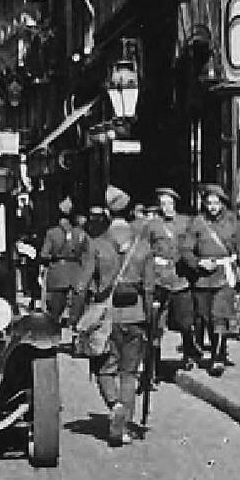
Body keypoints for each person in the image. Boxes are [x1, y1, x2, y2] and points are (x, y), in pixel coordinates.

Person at [72, 186, 156, 446]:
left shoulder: (96, 245)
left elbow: (81, 285)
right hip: (136, 316)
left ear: (108, 214)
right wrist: (151, 319)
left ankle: (115, 405)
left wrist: (76, 318)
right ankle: (126, 423)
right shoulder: (142, 247)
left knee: (104, 370)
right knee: (129, 373)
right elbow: (150, 288)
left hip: (105, 320)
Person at [181, 183, 240, 376]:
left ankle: (218, 357)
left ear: (222, 204)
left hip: (224, 275)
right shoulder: (197, 223)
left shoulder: (233, 223)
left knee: (219, 316)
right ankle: (201, 350)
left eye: (216, 203)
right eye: (209, 203)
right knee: (204, 317)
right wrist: (198, 263)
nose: (212, 207)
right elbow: (186, 250)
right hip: (203, 278)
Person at [146, 188, 199, 372]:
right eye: (162, 204)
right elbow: (147, 249)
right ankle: (154, 365)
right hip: (160, 278)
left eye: (169, 203)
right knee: (156, 324)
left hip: (180, 277)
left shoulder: (185, 223)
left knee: (185, 321)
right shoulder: (153, 225)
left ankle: (188, 353)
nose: (166, 207)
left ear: (175, 203)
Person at [39, 198, 88, 330]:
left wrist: (53, 257)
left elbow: (44, 255)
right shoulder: (80, 233)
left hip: (57, 274)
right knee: (76, 310)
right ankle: (72, 329)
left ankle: (55, 333)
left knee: (54, 312)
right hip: (75, 273)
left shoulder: (52, 233)